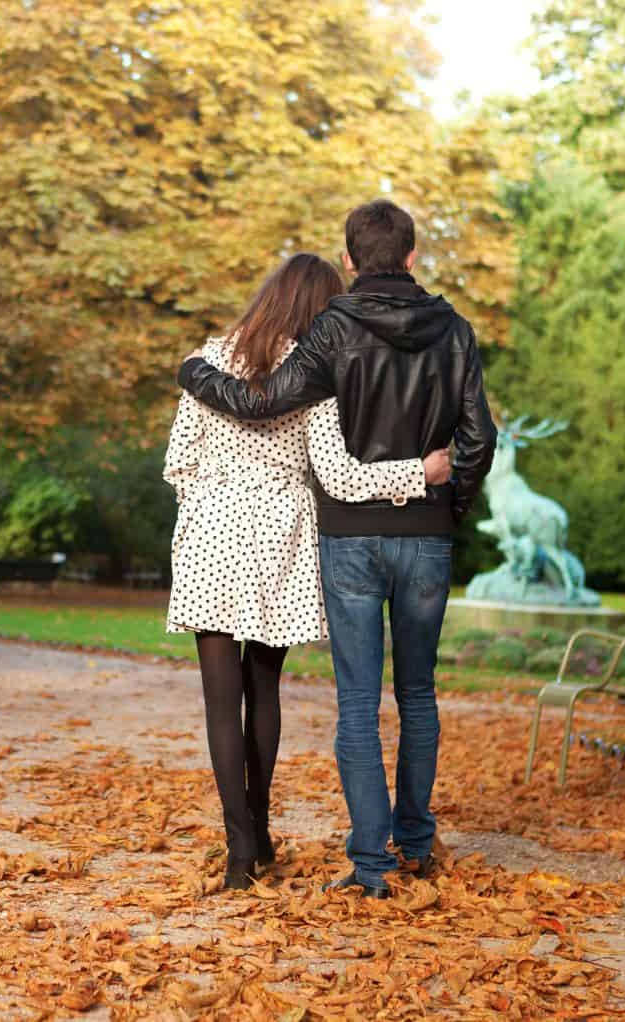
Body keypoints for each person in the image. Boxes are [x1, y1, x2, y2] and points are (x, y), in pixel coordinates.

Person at [177, 200, 497, 898]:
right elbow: (478, 437)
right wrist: (445, 503)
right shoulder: (455, 330)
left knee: (352, 702)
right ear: (412, 257)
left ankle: (348, 862)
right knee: (415, 691)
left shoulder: (327, 336)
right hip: (398, 534)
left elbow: (242, 417)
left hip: (315, 535)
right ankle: (412, 842)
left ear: (351, 261)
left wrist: (195, 375)